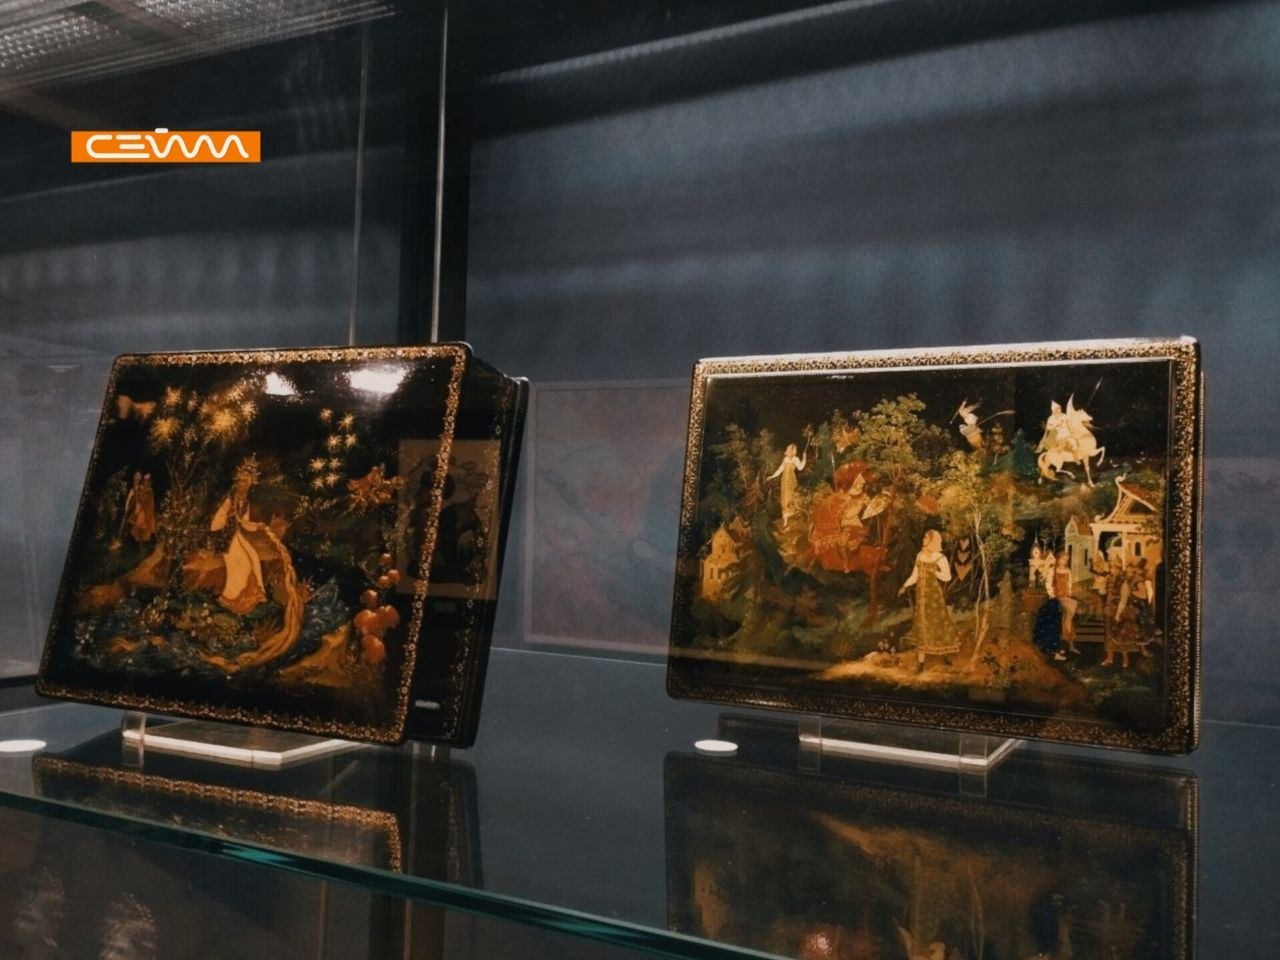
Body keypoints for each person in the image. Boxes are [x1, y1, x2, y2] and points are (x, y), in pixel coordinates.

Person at [898, 530, 959, 671]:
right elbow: (914, 575)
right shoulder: (920, 555)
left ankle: (944, 654)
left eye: (926, 538)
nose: (923, 540)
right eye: (924, 537)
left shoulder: (940, 557)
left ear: (933, 540)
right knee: (922, 626)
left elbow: (947, 577)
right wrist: (904, 586)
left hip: (934, 598)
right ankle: (921, 662)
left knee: (938, 624)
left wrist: (935, 571)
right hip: (921, 598)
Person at [766, 442, 806, 530]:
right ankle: (785, 522)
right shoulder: (785, 459)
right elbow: (780, 469)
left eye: (792, 450)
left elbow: (800, 468)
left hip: (791, 481)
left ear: (793, 451)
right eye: (789, 450)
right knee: (784, 499)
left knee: (792, 497)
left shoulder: (796, 459)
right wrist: (772, 476)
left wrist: (804, 458)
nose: (789, 451)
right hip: (784, 482)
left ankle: (796, 514)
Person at [1049, 551, 1080, 654]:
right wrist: (1052, 595)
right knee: (1058, 622)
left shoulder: (1067, 570)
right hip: (1056, 597)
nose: (1065, 561)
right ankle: (1058, 647)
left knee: (1069, 620)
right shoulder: (1053, 570)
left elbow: (1069, 583)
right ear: (1058, 559)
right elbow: (1048, 584)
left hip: (1065, 597)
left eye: (1066, 560)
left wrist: (1069, 593)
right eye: (1063, 559)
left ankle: (1071, 646)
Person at [123, 471, 156, 543]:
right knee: (133, 523)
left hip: (144, 511)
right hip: (137, 509)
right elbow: (135, 495)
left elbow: (147, 501)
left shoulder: (149, 490)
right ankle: (126, 539)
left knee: (140, 526)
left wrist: (141, 501)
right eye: (145, 480)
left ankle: (140, 542)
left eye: (147, 480)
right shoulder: (140, 488)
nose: (145, 482)